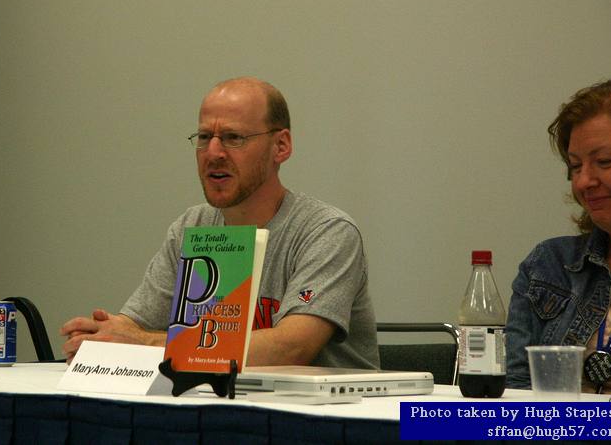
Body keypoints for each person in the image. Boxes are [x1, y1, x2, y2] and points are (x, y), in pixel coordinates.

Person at [61, 76, 379, 369]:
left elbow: (290, 348)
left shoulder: (326, 231)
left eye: (233, 137)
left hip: (333, 422)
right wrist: (102, 337)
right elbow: (135, 326)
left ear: (281, 146)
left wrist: (141, 344)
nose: (213, 152)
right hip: (224, 412)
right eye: (204, 137)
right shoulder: (194, 226)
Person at [506, 78, 611, 393]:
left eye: (604, 162)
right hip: (561, 431)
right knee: (427, 420)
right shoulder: (550, 266)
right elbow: (517, 391)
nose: (584, 181)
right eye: (575, 166)